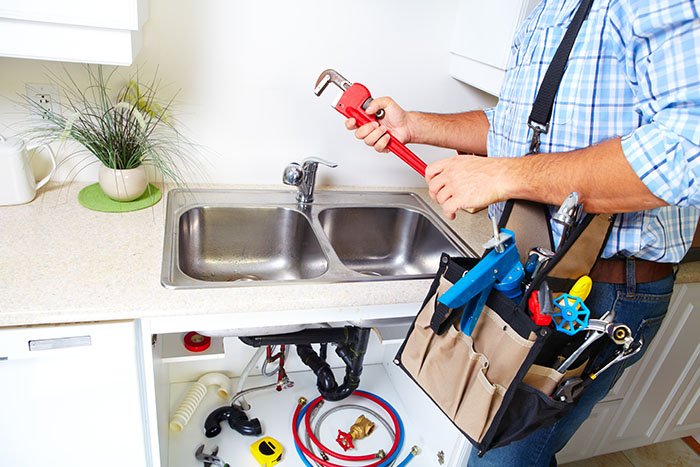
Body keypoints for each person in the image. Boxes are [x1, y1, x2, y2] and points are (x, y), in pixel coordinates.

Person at [344, 0, 700, 465]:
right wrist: (414, 125)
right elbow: (514, 128)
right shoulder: (544, 9)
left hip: (600, 292)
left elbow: (686, 152)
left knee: (502, 457)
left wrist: (503, 176)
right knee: (489, 432)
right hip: (531, 269)